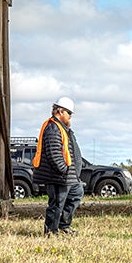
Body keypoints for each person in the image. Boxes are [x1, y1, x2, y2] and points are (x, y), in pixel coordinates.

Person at [32, 96, 83, 236]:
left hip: (68, 176)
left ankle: (63, 226)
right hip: (59, 176)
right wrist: (64, 170)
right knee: (56, 204)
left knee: (76, 194)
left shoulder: (62, 128)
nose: (71, 117)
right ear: (60, 111)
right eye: (69, 113)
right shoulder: (53, 128)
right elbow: (54, 154)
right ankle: (51, 231)